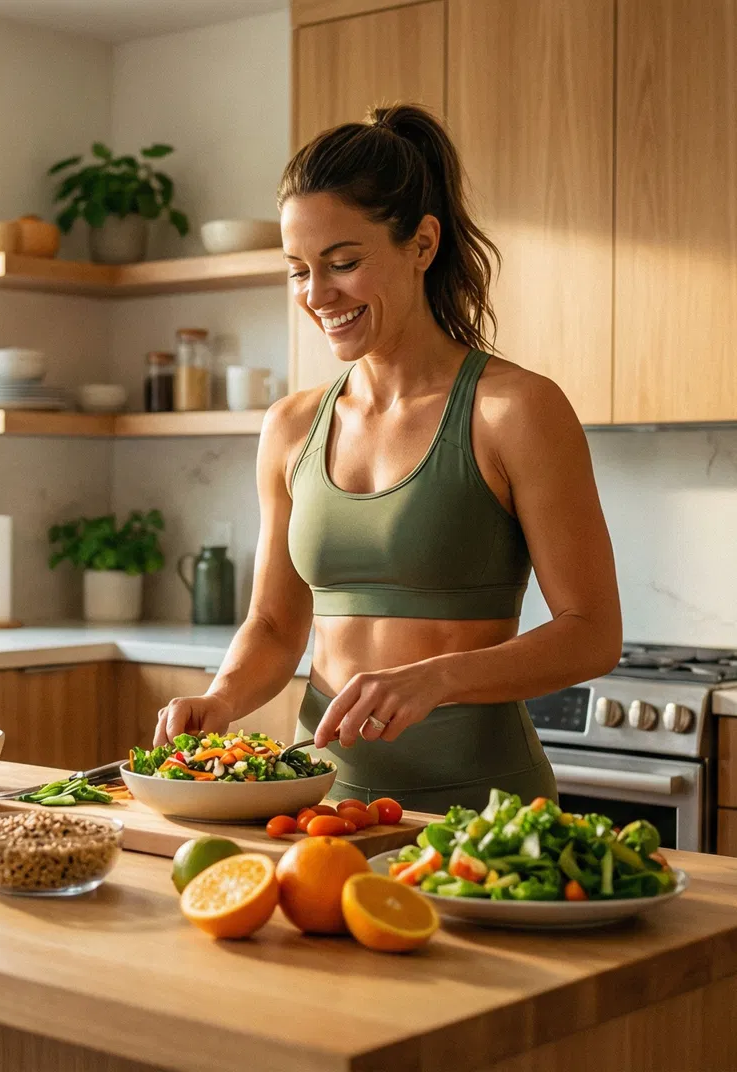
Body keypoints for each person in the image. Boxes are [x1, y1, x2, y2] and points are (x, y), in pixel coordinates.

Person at [152, 103, 622, 812]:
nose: (317, 296)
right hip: (321, 806)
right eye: (298, 270)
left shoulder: (516, 410)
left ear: (423, 244)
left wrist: (436, 678)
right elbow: (277, 627)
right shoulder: (291, 427)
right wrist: (221, 700)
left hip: (481, 810)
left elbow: (592, 634)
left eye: (343, 264)